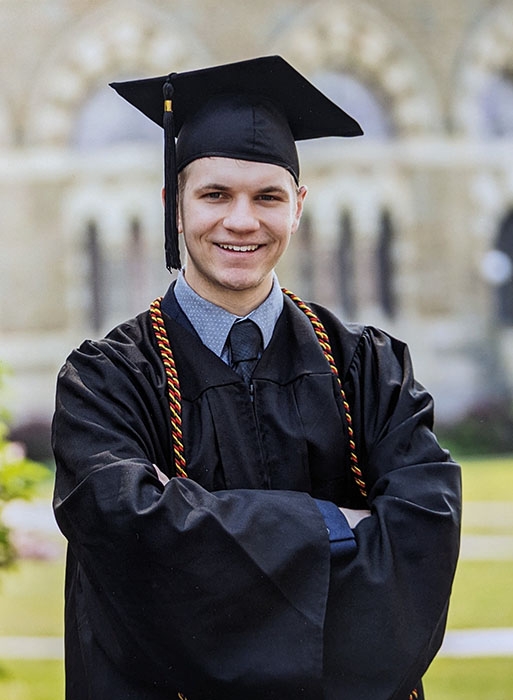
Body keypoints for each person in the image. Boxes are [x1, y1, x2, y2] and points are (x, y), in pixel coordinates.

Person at [52, 56, 461, 700]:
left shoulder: (369, 369)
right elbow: (125, 534)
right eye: (215, 194)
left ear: (297, 207)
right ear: (173, 203)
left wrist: (188, 517)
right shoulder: (106, 382)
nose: (241, 221)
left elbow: (423, 534)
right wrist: (339, 526)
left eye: (267, 196)